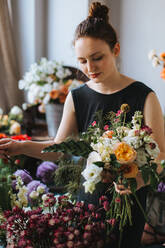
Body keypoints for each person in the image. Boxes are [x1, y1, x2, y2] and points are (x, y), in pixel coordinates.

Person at [0, 2, 165, 248]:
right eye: (82, 61)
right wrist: (19, 146)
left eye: (97, 58)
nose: (89, 68)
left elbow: (161, 156)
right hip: (89, 200)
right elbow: (59, 148)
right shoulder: (77, 97)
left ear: (116, 49)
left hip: (131, 203)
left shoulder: (144, 96)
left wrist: (139, 180)